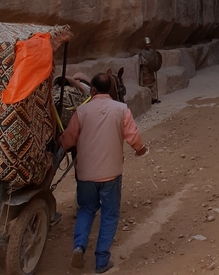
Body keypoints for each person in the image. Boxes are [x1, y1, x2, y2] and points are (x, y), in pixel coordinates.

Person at [59, 72, 147, 274]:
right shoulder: (121, 109)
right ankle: (101, 261)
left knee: (86, 209)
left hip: (86, 174)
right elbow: (134, 137)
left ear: (93, 90)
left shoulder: (81, 111)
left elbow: (68, 140)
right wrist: (140, 150)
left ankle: (79, 246)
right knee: (109, 214)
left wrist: (61, 144)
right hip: (111, 174)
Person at [138, 36, 162, 104]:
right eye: (147, 44)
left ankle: (154, 98)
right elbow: (142, 62)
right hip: (145, 70)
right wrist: (148, 62)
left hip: (151, 70)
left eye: (149, 44)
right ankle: (148, 99)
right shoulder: (142, 53)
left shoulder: (152, 52)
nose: (148, 45)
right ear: (145, 45)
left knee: (153, 85)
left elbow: (155, 59)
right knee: (147, 86)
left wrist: (155, 64)